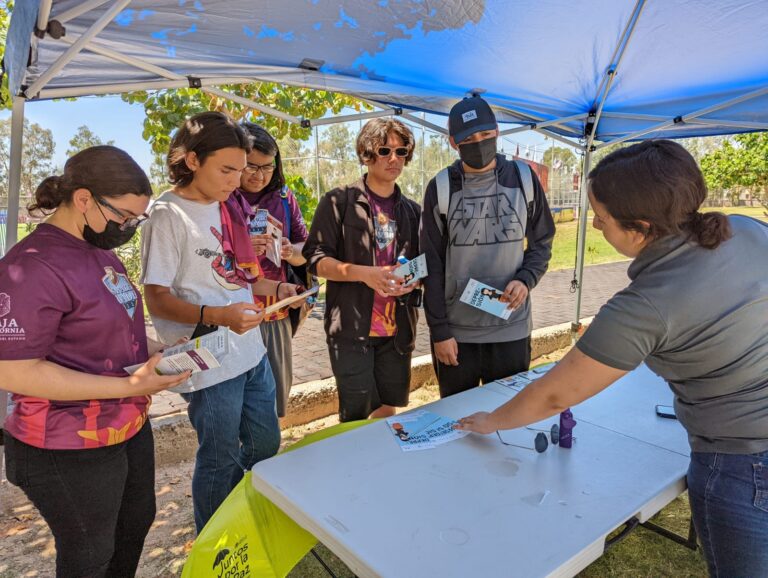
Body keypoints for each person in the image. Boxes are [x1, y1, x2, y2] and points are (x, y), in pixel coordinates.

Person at [457, 139, 768, 577]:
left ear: (640, 227)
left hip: (740, 462)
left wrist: (492, 420)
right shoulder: (749, 230)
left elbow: (554, 395)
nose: (596, 227)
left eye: (601, 220)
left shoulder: (643, 305)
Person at [0, 146, 191, 577]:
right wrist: (128, 386)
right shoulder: (32, 265)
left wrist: (154, 353)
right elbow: (13, 370)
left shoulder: (98, 250)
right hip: (64, 442)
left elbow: (115, 323)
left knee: (133, 526)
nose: (127, 227)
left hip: (124, 424)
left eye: (134, 220)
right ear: (84, 199)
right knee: (89, 554)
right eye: (123, 216)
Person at [140, 112, 299, 533]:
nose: (236, 179)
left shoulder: (228, 205)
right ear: (192, 160)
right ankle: (215, 539)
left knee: (266, 443)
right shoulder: (168, 214)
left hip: (251, 352)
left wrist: (274, 289)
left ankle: (240, 512)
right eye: (227, 169)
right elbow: (156, 296)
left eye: (241, 170)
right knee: (219, 456)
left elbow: (238, 276)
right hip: (208, 361)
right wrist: (218, 316)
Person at [420, 95, 556, 398]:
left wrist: (526, 278)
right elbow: (431, 264)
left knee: (509, 418)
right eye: (468, 137)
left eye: (484, 134)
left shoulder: (524, 179)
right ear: (453, 142)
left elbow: (542, 242)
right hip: (458, 335)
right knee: (457, 423)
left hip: (512, 329)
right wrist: (440, 331)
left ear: (497, 131)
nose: (478, 142)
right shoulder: (441, 187)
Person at [303, 118, 422, 422]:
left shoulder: (412, 211)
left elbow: (422, 263)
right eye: (385, 150)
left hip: (396, 330)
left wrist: (413, 279)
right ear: (367, 154)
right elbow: (315, 258)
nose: (394, 158)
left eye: (401, 150)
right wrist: (365, 274)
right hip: (352, 332)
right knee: (355, 418)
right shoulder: (339, 202)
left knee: (386, 412)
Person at [238, 122, 310, 418]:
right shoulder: (221, 199)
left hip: (276, 312)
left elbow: (307, 249)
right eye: (251, 167)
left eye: (268, 167)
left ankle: (267, 457)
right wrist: (244, 247)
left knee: (275, 401)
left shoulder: (283, 197)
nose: (260, 176)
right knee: (240, 406)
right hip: (235, 317)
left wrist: (291, 252)